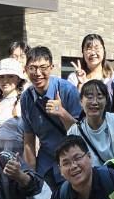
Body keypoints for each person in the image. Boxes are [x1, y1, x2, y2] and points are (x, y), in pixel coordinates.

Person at [20, 47, 83, 183]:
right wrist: (31, 177)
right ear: (25, 69)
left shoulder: (68, 90)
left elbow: (81, 133)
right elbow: (29, 142)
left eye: (43, 67)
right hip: (46, 163)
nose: (38, 73)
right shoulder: (26, 98)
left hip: (71, 161)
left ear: (51, 68)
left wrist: (61, 112)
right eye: (32, 68)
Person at [68, 77, 114, 179]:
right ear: (81, 101)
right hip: (90, 183)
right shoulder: (74, 131)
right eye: (89, 97)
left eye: (100, 97)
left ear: (106, 101)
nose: (94, 102)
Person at [68, 33, 114, 105]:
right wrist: (80, 84)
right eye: (88, 49)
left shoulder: (113, 77)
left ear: (103, 51)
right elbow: (72, 105)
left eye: (97, 48)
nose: (93, 53)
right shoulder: (74, 78)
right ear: (83, 52)